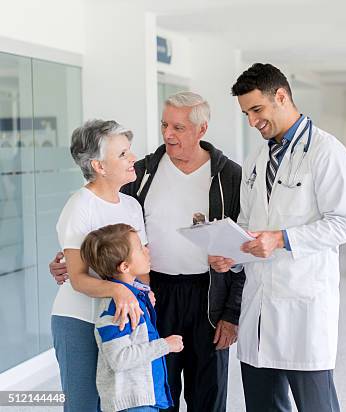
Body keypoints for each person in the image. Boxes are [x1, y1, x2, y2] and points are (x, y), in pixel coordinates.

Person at [51, 92, 245, 412]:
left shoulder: (229, 177)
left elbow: (240, 247)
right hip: (143, 298)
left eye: (179, 127)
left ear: (202, 129)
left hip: (200, 296)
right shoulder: (139, 176)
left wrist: (231, 313)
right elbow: (91, 249)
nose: (168, 134)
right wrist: (70, 264)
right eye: (164, 124)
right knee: (144, 392)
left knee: (206, 393)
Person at [210, 63, 346, 411]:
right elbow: (248, 223)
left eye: (256, 110)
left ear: (281, 96)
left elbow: (341, 225)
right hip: (258, 304)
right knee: (262, 404)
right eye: (246, 113)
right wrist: (233, 254)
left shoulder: (326, 152)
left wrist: (281, 239)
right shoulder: (258, 157)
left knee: (315, 404)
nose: (251, 121)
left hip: (303, 302)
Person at [51, 120, 148, 412]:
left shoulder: (132, 206)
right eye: (122, 154)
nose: (133, 158)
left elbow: (140, 268)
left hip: (120, 317)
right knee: (83, 405)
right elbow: (78, 279)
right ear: (99, 166)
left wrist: (142, 296)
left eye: (129, 151)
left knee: (123, 403)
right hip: (78, 320)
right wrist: (119, 291)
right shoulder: (80, 205)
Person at [81, 223, 182, 412]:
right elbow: (119, 358)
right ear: (125, 266)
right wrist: (165, 345)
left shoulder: (135, 297)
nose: (147, 249)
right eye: (140, 248)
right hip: (132, 405)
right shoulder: (118, 308)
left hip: (144, 400)